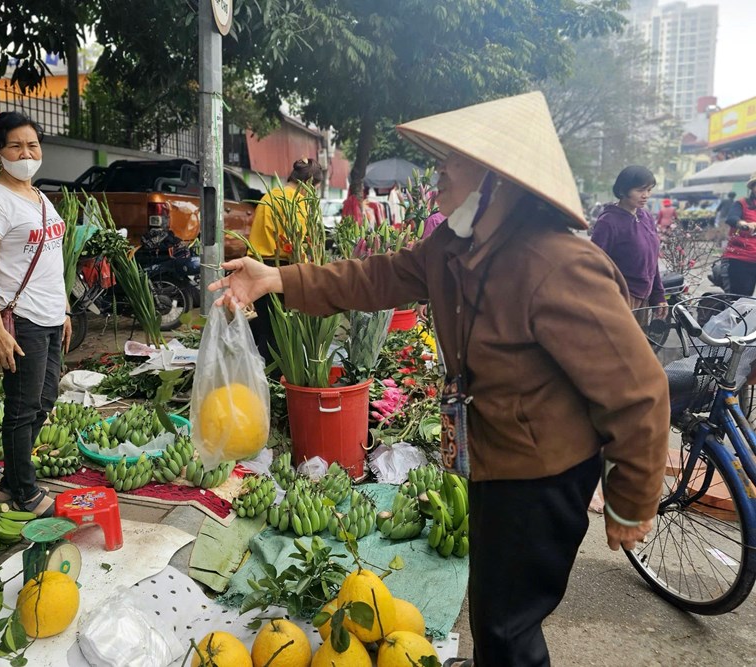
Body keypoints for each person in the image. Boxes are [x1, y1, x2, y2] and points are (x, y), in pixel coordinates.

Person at [209, 92, 669, 667]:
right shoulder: (455, 245)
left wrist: (631, 502)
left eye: (455, 161)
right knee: (492, 605)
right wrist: (276, 277)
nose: (440, 171)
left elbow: (640, 393)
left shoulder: (557, 265)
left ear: (497, 181)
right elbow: (373, 277)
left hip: (542, 474)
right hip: (490, 455)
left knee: (508, 625)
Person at [0, 111, 71, 517]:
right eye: (15, 145)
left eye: (32, 144)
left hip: (49, 316)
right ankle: (24, 493)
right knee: (22, 407)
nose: (26, 153)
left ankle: (11, 484)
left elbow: (52, 259)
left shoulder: (38, 196)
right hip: (21, 319)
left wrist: (64, 310)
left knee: (44, 402)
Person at [247, 158, 324, 366]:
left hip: (257, 264)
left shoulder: (269, 196)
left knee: (267, 327)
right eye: (315, 189)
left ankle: (260, 378)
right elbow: (298, 241)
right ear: (309, 184)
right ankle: (274, 381)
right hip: (280, 269)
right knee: (281, 333)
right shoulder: (296, 201)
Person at [590, 166, 666, 314]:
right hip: (620, 298)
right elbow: (594, 266)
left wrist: (658, 294)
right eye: (639, 190)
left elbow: (652, 260)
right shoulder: (608, 222)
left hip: (644, 296)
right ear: (623, 191)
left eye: (649, 190)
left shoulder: (647, 217)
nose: (646, 195)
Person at [721, 174, 756, 296]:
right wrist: (743, 223)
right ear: (752, 187)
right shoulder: (741, 203)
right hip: (740, 259)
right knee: (740, 300)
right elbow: (731, 218)